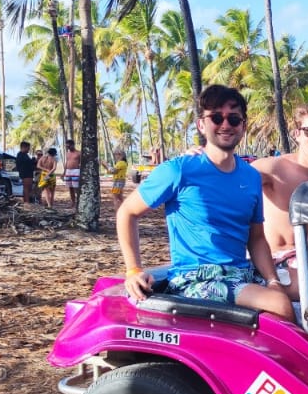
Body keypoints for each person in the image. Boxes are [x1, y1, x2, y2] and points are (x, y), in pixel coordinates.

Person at [116, 85, 293, 322]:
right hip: (198, 278)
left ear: (243, 125)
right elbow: (127, 212)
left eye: (233, 118)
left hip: (242, 273)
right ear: (202, 124)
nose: (225, 125)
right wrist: (134, 270)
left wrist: (272, 280)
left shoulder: (250, 177)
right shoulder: (179, 170)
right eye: (216, 117)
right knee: (279, 304)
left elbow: (256, 237)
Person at [250, 101, 308, 296]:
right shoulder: (272, 169)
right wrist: (200, 156)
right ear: (296, 134)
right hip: (274, 260)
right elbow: (230, 177)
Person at [63, 139, 81, 209]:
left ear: (73, 145)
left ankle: (79, 202)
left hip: (76, 171)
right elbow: (66, 162)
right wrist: (64, 172)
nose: (68, 148)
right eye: (67, 146)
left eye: (69, 146)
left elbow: (82, 162)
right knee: (70, 188)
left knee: (76, 188)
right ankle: (73, 202)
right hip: (68, 171)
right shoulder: (67, 153)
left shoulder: (79, 153)